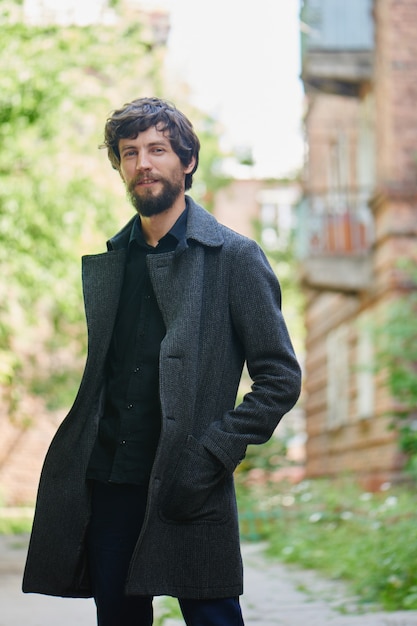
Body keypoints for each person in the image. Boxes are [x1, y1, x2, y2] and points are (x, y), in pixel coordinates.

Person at [23, 97, 302, 625]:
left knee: (214, 618)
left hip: (191, 481)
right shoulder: (113, 261)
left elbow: (280, 379)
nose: (142, 164)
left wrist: (213, 453)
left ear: (187, 162)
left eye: (157, 149)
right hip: (110, 483)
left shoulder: (234, 257)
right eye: (129, 153)